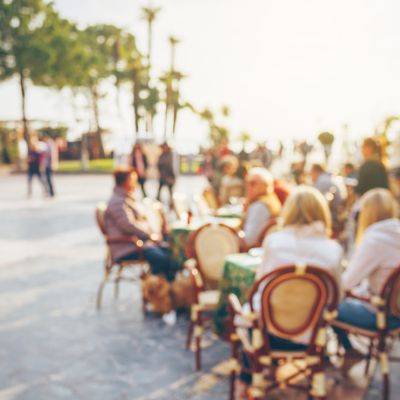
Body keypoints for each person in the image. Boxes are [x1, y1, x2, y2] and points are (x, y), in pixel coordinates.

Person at [335, 189, 400, 366]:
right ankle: (349, 352)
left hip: (381, 316)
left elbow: (347, 282)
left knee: (324, 303)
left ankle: (344, 353)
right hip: (394, 311)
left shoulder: (375, 239)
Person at [105, 167, 173, 279]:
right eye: (133, 179)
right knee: (164, 259)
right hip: (127, 247)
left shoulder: (125, 198)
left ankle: (162, 285)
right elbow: (128, 226)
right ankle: (160, 288)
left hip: (137, 243)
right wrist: (150, 235)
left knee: (171, 253)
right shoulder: (118, 202)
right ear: (127, 181)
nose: (135, 183)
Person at [241, 168, 281, 248]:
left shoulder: (259, 206)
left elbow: (249, 240)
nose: (248, 187)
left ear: (266, 185)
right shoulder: (270, 199)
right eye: (247, 183)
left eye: (253, 183)